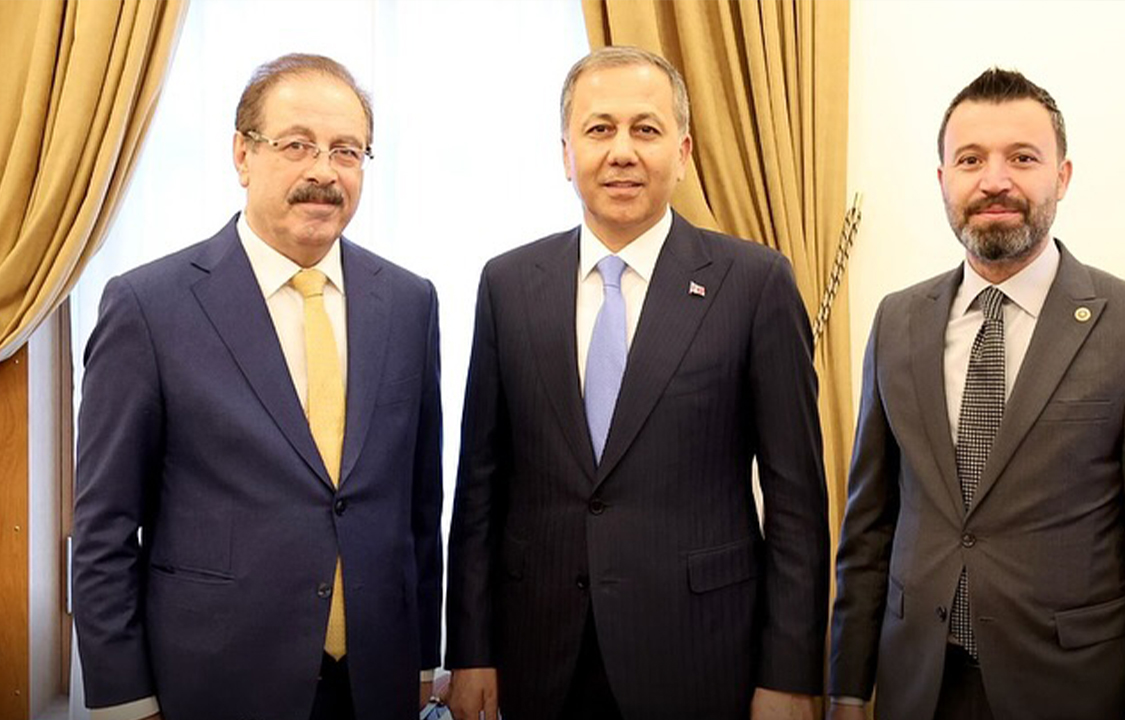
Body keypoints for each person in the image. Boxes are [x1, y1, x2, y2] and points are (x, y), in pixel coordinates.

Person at [445, 46, 830, 720]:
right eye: (599, 129)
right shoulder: (508, 285)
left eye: (645, 130)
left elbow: (796, 501)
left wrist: (790, 675)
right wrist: (471, 649)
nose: (621, 151)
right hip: (539, 654)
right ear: (566, 153)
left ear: (682, 153)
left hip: (703, 653)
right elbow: (479, 486)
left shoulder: (755, 284)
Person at [827, 68, 1125, 720]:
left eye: (1023, 158)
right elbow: (869, 524)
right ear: (943, 179)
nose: (994, 180)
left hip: (1068, 690)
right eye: (970, 159)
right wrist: (845, 688)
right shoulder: (897, 320)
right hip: (916, 686)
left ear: (1062, 176)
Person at [73, 54, 443, 720]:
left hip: (376, 684)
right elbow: (103, 528)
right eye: (297, 145)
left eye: (346, 151)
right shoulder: (148, 307)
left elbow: (419, 506)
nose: (323, 171)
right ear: (242, 154)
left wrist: (422, 660)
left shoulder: (409, 302)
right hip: (216, 682)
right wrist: (124, 699)